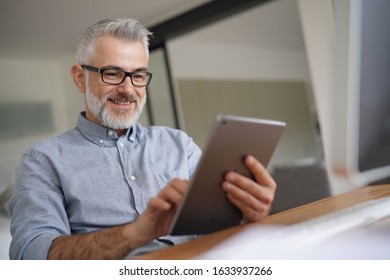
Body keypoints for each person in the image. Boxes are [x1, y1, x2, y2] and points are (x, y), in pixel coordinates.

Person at [6, 17, 277, 260]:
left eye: (138, 76)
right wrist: (132, 234)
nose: (127, 89)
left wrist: (250, 217)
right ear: (80, 79)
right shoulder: (42, 160)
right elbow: (31, 253)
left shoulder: (179, 144)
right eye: (112, 73)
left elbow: (217, 229)